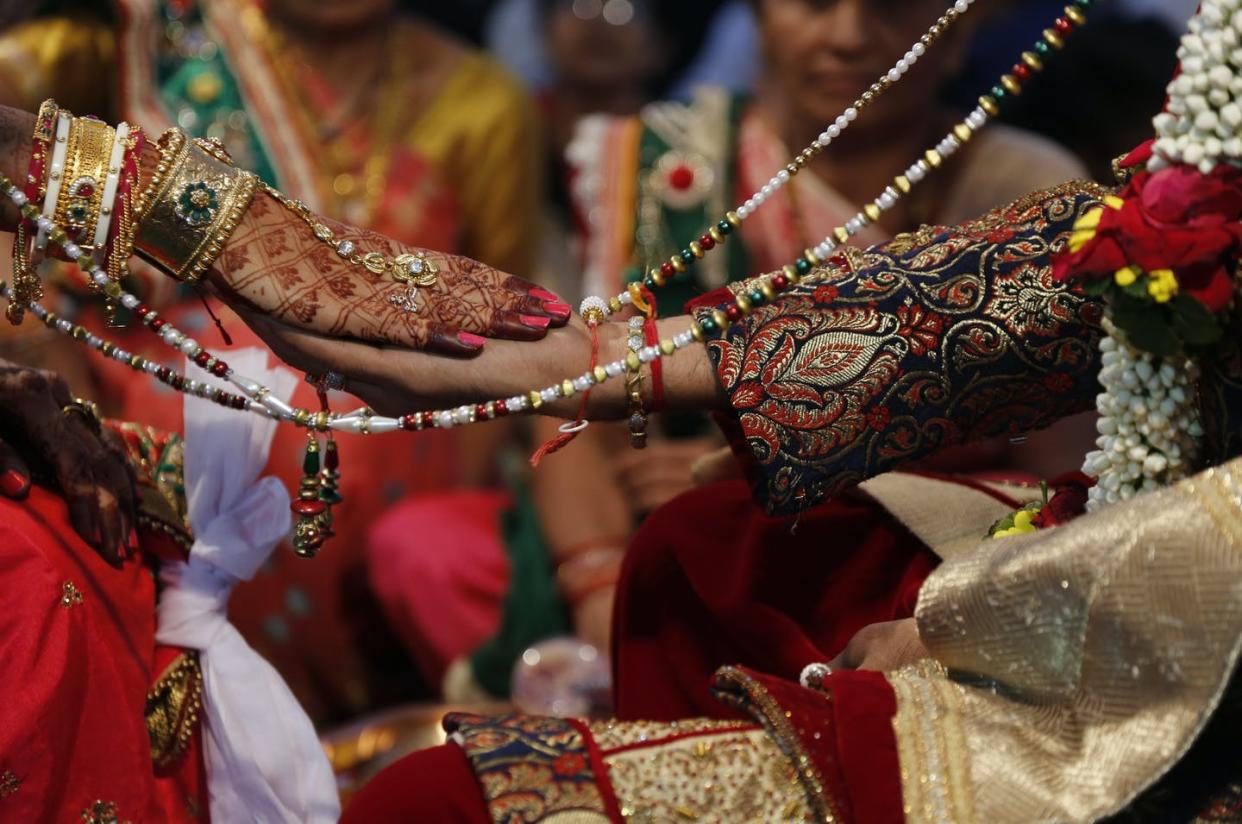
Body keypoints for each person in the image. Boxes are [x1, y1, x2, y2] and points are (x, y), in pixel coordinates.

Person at [0, 0, 545, 720]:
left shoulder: (483, 101)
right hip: (144, 428)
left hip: (397, 455)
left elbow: (510, 335)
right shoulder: (147, 36)